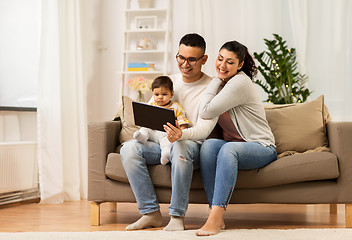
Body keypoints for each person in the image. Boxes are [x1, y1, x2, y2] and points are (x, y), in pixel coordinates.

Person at [164, 40, 277, 236]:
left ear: (240, 65)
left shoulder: (239, 82)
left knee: (228, 148)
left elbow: (206, 111)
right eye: (220, 59)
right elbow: (206, 120)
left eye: (230, 62)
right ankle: (213, 212)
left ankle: (215, 217)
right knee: (210, 146)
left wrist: (215, 80)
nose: (222, 66)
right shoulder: (225, 82)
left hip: (261, 146)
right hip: (235, 146)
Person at [120, 33, 212, 231]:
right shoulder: (169, 82)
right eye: (181, 57)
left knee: (180, 145)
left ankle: (177, 216)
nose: (185, 64)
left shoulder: (211, 87)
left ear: (204, 60)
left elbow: (205, 129)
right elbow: (153, 108)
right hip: (163, 141)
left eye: (192, 59)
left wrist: (182, 134)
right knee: (128, 149)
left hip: (191, 145)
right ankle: (150, 213)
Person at [133, 75, 191, 165]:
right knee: (144, 129)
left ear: (171, 94)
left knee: (167, 141)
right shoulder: (151, 105)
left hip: (165, 133)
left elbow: (183, 121)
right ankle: (142, 137)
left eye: (164, 94)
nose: (160, 97)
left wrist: (182, 131)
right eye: (157, 94)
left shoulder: (175, 107)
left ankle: (165, 154)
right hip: (152, 132)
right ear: (153, 94)